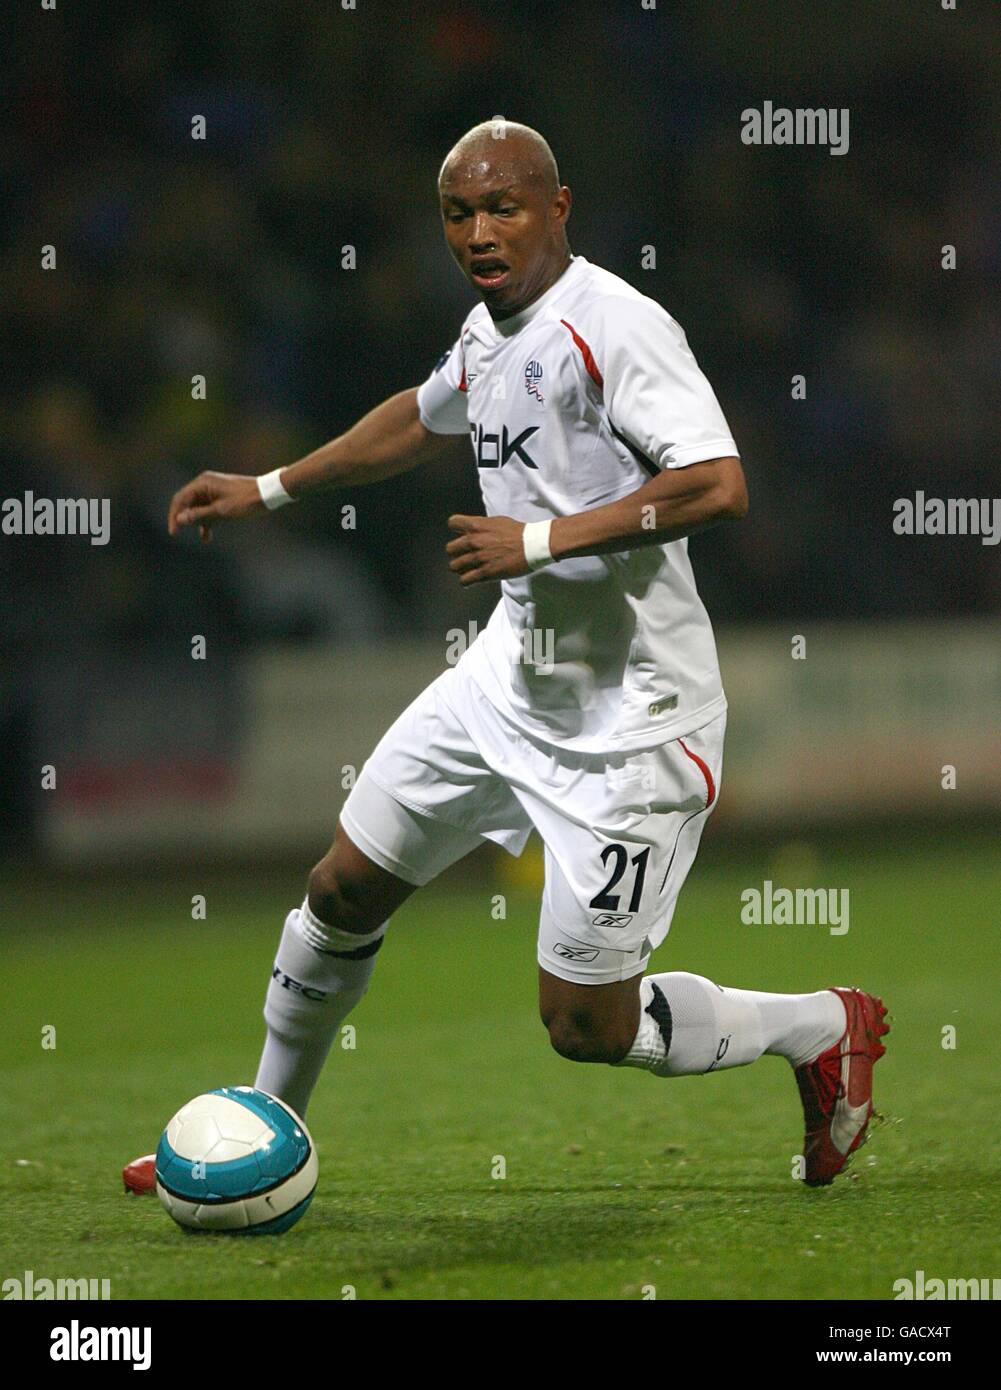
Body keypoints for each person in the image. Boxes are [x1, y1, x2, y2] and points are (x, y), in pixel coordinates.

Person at [143, 120, 888, 1192]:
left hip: (631, 725)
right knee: (341, 889)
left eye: (504, 207)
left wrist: (533, 540)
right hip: (506, 684)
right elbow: (421, 415)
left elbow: (716, 483)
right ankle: (264, 1133)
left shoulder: (615, 326)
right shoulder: (490, 329)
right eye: (458, 212)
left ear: (557, 207)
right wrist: (268, 487)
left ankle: (819, 1026)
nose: (480, 231)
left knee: (585, 1024)